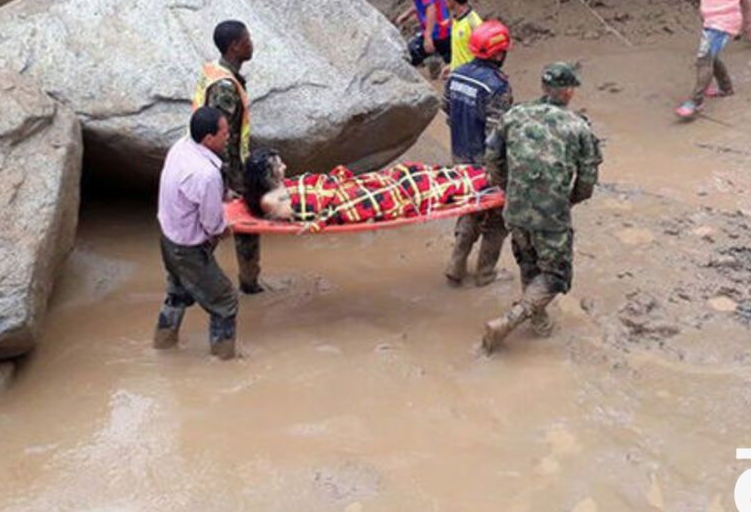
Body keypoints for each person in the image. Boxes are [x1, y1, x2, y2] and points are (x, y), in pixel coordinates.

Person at [481, 63, 602, 352]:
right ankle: (511, 320)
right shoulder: (578, 126)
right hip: (551, 214)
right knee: (556, 275)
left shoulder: (514, 115)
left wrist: (510, 189)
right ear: (569, 91)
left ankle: (539, 320)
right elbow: (586, 183)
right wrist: (564, 202)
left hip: (516, 208)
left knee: (528, 261)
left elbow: (491, 157)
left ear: (543, 87)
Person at [153, 106, 238, 359]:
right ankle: (223, 361)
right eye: (224, 133)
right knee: (225, 301)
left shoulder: (180, 146)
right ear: (208, 139)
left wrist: (223, 195)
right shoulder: (207, 174)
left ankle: (163, 345)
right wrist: (225, 229)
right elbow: (212, 224)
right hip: (188, 248)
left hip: (168, 236)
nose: (228, 137)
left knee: (178, 293)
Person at [242, 151, 491, 230]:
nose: (285, 167)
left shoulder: (274, 190)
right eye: (278, 166)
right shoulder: (269, 200)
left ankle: (476, 174)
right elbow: (311, 210)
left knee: (407, 173)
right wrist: (331, 195)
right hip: (345, 200)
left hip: (344, 189)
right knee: (414, 188)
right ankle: (483, 178)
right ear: (267, 175)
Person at [191, 20, 263, 293]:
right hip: (226, 170)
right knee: (240, 224)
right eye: (248, 39)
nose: (252, 43)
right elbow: (221, 137)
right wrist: (225, 183)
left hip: (219, 167)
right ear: (235, 46)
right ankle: (248, 284)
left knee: (217, 226)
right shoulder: (224, 86)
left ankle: (192, 281)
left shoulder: (216, 72)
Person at [442, 20, 513, 287]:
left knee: (468, 208)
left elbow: (446, 110)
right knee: (496, 220)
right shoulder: (497, 87)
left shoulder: (456, 74)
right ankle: (485, 273)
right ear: (498, 53)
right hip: (485, 163)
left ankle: (456, 264)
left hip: (460, 158)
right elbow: (498, 135)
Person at [676, 0, 751, 118]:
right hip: (711, 20)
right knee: (712, 56)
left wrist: (748, 23)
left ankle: (695, 101)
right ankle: (726, 88)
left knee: (704, 59)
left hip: (724, 21)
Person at [443, 0, 483, 76]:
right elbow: (461, 49)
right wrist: (452, 65)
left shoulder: (474, 23)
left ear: (452, 0)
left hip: (470, 76)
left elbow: (483, 54)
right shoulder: (456, 19)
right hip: (458, 75)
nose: (444, 0)